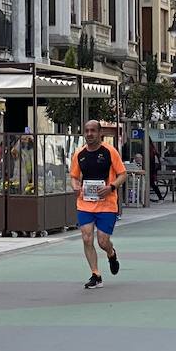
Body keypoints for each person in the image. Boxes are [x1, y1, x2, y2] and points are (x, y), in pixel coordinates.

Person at [71, 119, 127, 289]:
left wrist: (111, 187)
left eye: (93, 131)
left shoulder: (110, 152)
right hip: (85, 203)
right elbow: (74, 176)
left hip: (107, 204)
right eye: (86, 131)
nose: (89, 134)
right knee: (87, 238)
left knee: (103, 241)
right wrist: (75, 186)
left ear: (99, 132)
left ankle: (111, 253)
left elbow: (123, 174)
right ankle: (96, 274)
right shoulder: (79, 154)